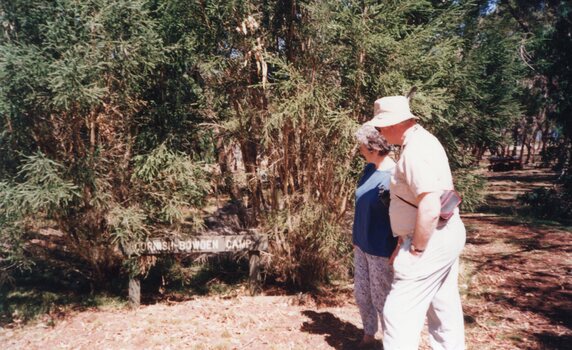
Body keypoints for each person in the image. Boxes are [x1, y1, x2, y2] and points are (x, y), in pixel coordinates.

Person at [365, 95, 466, 349]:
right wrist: (404, 239)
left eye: (380, 127)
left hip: (431, 239)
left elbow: (430, 205)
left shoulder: (415, 152)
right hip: (445, 233)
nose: (380, 133)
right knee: (443, 309)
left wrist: (416, 250)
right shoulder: (426, 141)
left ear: (392, 124)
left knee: (398, 314)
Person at [352, 125, 398, 348]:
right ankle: (368, 336)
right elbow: (361, 204)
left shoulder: (394, 176)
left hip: (381, 248)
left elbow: (400, 217)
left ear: (373, 148)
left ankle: (392, 342)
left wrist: (399, 246)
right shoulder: (369, 169)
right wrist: (355, 237)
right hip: (362, 243)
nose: (359, 149)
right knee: (362, 293)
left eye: (362, 146)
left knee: (382, 298)